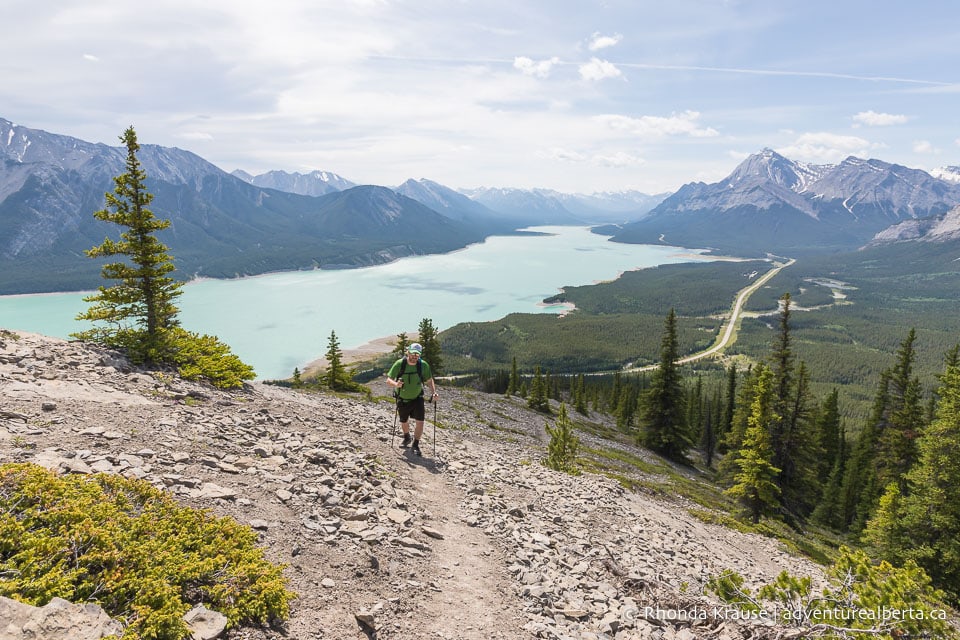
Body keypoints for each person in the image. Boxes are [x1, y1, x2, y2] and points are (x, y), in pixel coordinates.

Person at [386, 343, 438, 456]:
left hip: (417, 397)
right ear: (408, 352)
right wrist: (396, 384)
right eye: (413, 353)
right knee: (403, 421)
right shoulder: (400, 364)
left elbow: (429, 380)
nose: (415, 356)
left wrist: (434, 392)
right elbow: (388, 380)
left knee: (420, 422)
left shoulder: (423, 365)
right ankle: (407, 437)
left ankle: (415, 444)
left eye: (417, 354)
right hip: (402, 398)